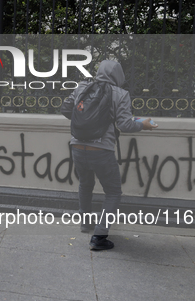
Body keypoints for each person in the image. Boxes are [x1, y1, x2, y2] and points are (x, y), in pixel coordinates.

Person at [61, 60, 157, 250]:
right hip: (101, 151)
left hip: (77, 146)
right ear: (119, 75)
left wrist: (85, 119)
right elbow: (125, 125)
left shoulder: (82, 87)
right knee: (113, 192)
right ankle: (99, 237)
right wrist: (143, 125)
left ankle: (85, 223)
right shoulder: (120, 94)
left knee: (85, 184)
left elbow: (65, 109)